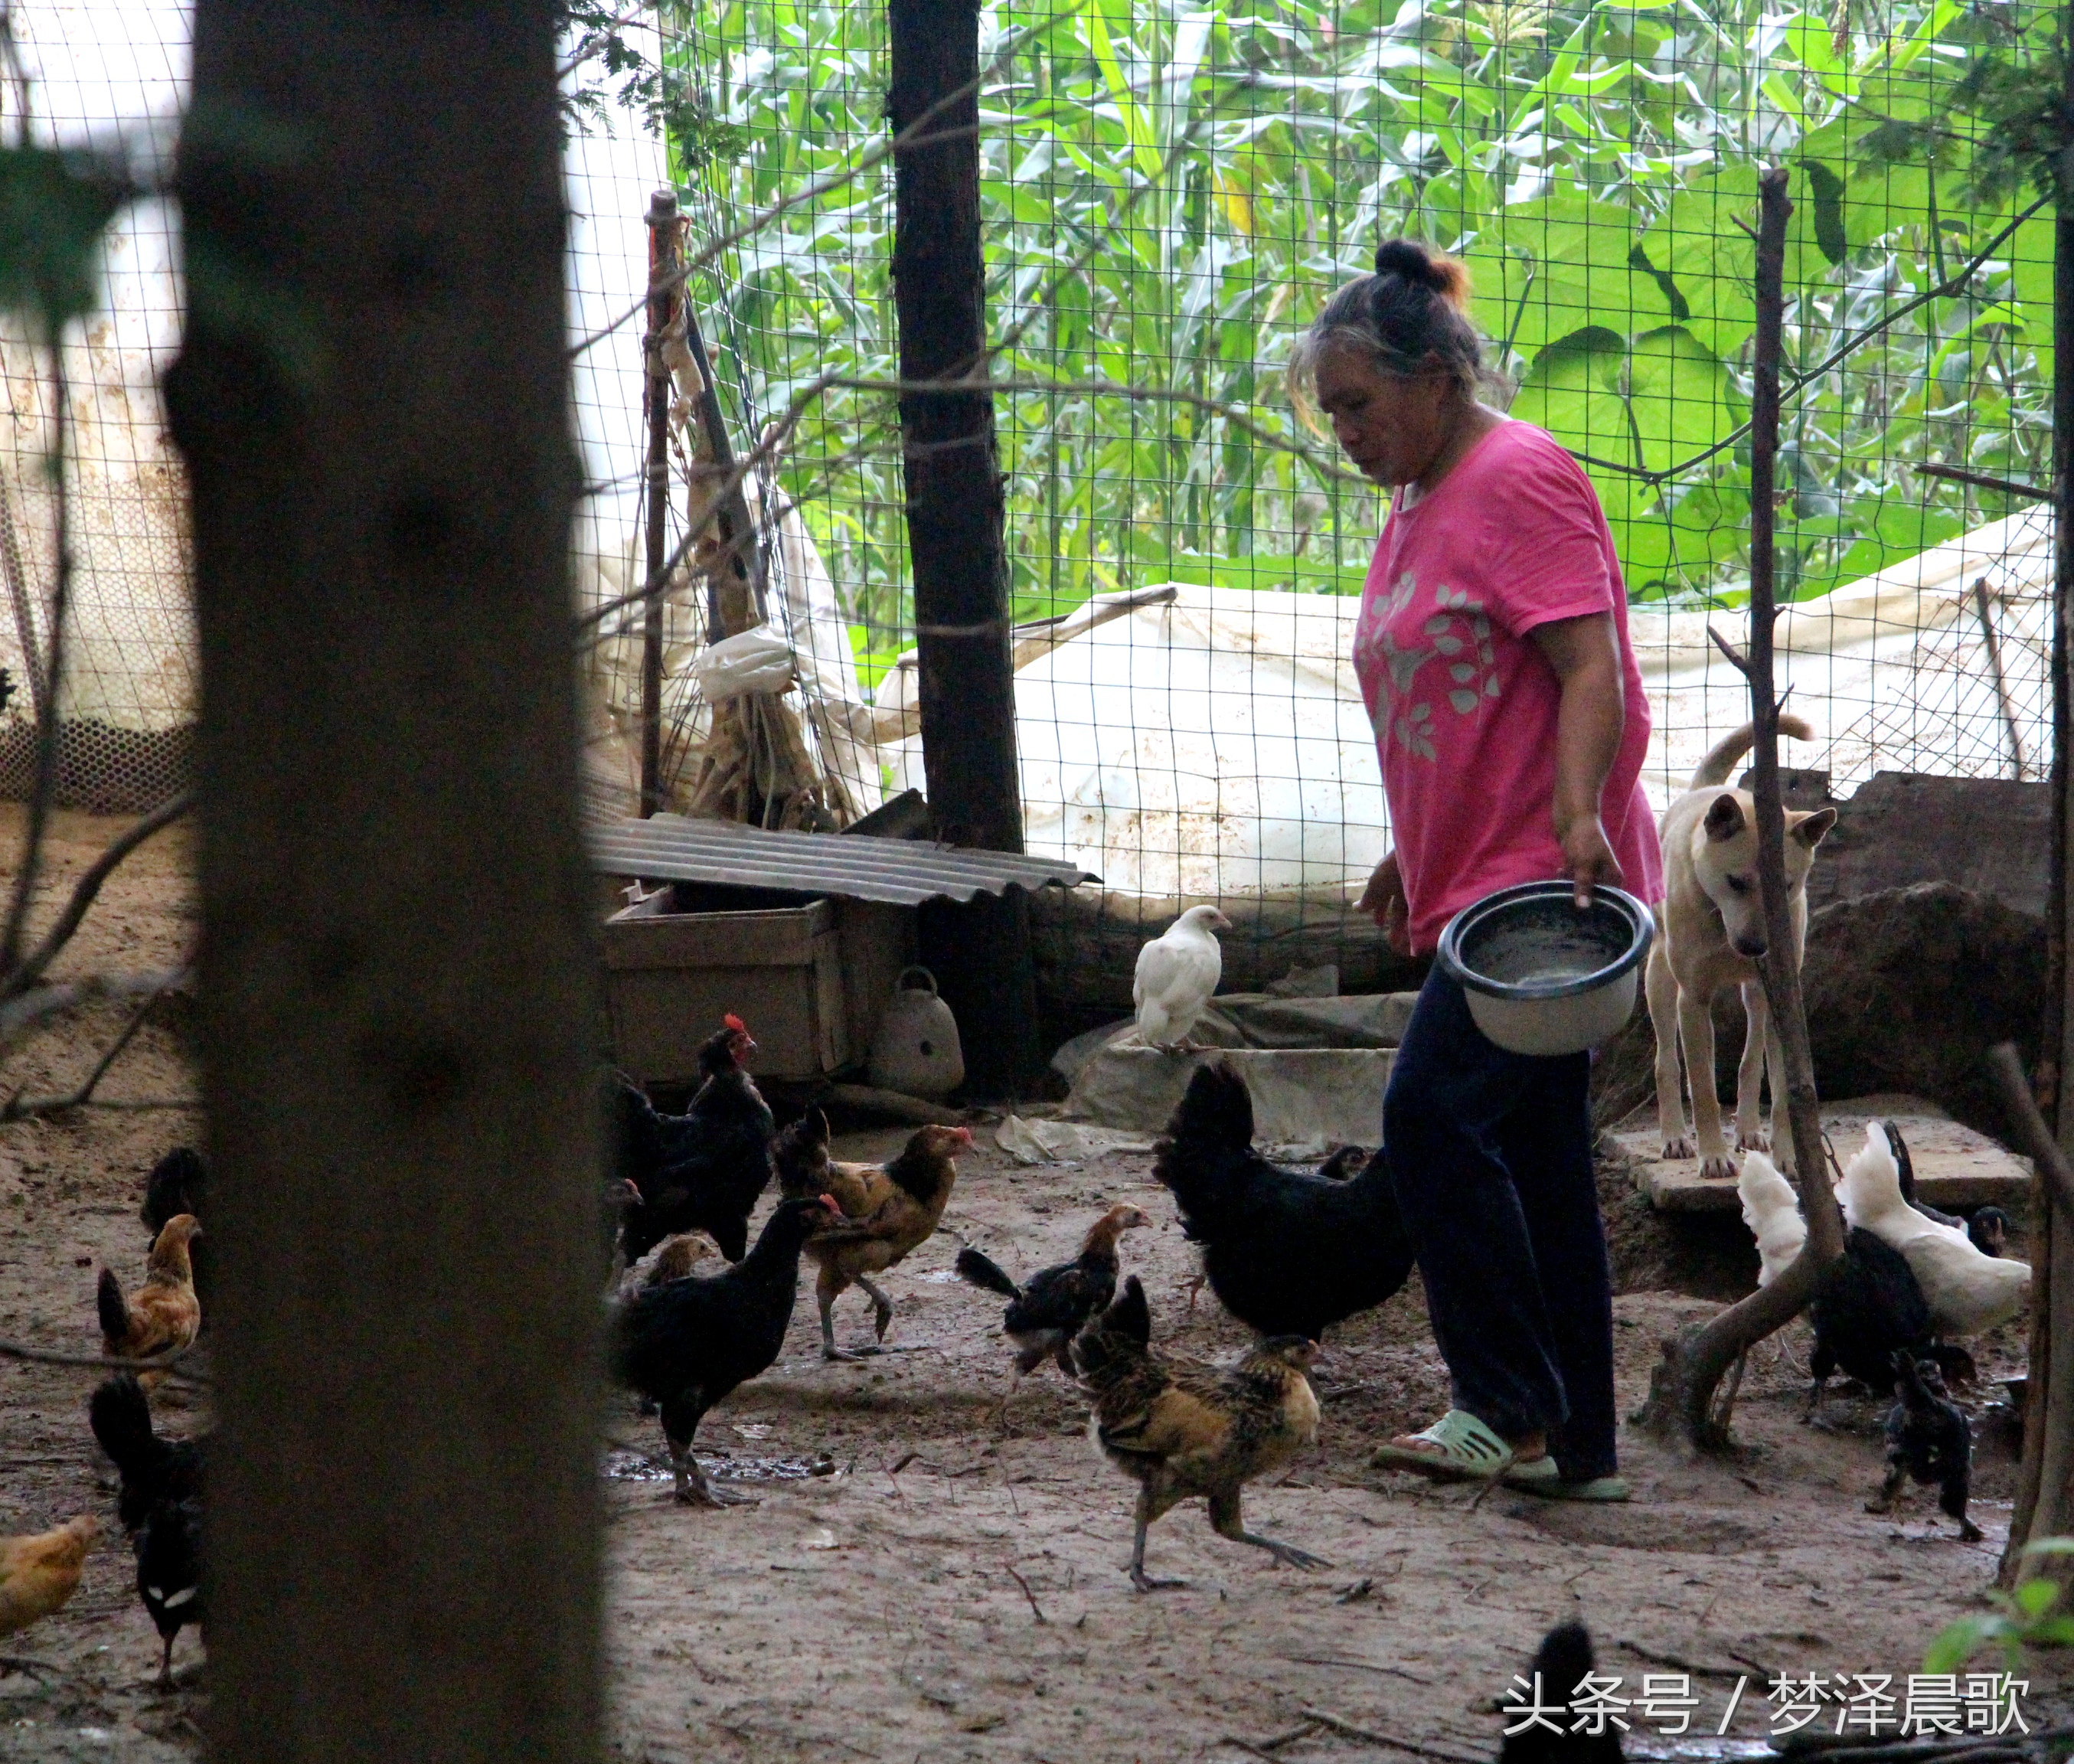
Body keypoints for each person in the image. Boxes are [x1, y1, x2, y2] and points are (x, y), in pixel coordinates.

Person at [1291, 239, 1663, 1500]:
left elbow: (1587, 667)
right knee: (1541, 1155)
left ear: (1438, 378)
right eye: (1330, 410)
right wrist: (1415, 839)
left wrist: (1573, 818)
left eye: (1358, 403)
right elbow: (1460, 689)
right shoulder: (1416, 498)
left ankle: (1502, 1407)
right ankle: (1581, 1448)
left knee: (1429, 1118)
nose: (1343, 431)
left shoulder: (1515, 477)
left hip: (1540, 887)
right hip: (1474, 873)